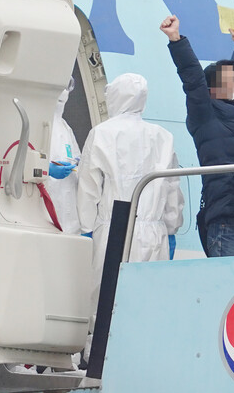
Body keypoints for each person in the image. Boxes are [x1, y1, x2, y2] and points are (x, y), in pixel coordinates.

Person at [160, 15, 234, 258]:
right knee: (230, 291)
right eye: (230, 81)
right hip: (228, 218)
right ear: (212, 87)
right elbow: (191, 77)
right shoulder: (205, 111)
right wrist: (176, 39)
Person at [77, 72, 184, 307]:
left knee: (106, 304)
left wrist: (86, 229)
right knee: (148, 302)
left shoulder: (102, 133)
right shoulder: (163, 137)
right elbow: (172, 188)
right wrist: (171, 228)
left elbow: (88, 189)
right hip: (154, 233)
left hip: (112, 231)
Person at [46, 77, 81, 234]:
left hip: (69, 216)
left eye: (67, 88)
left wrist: (78, 164)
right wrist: (47, 170)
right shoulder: (37, 123)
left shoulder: (65, 127)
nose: (63, 93)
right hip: (45, 209)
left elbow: (76, 157)